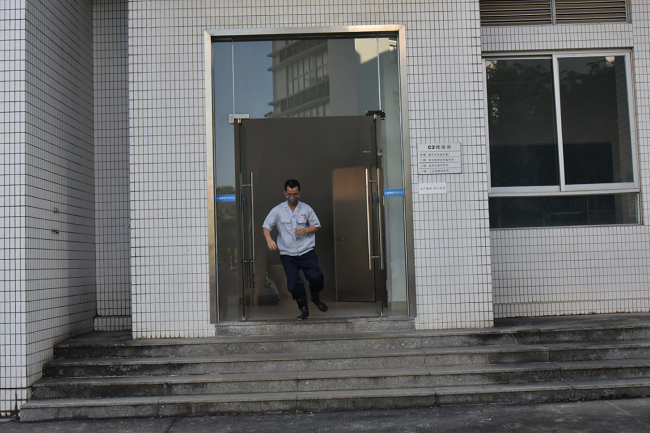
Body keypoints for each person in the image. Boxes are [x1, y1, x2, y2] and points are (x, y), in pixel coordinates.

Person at [262, 179, 328, 320]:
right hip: (288, 254)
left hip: (306, 250)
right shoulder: (278, 210)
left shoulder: (306, 209)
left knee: (316, 278)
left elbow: (316, 226)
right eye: (290, 194)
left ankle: (315, 298)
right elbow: (266, 226)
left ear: (300, 192)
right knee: (293, 283)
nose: (292, 197)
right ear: (285, 192)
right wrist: (269, 240)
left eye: (295, 194)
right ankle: (303, 308)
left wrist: (305, 230)